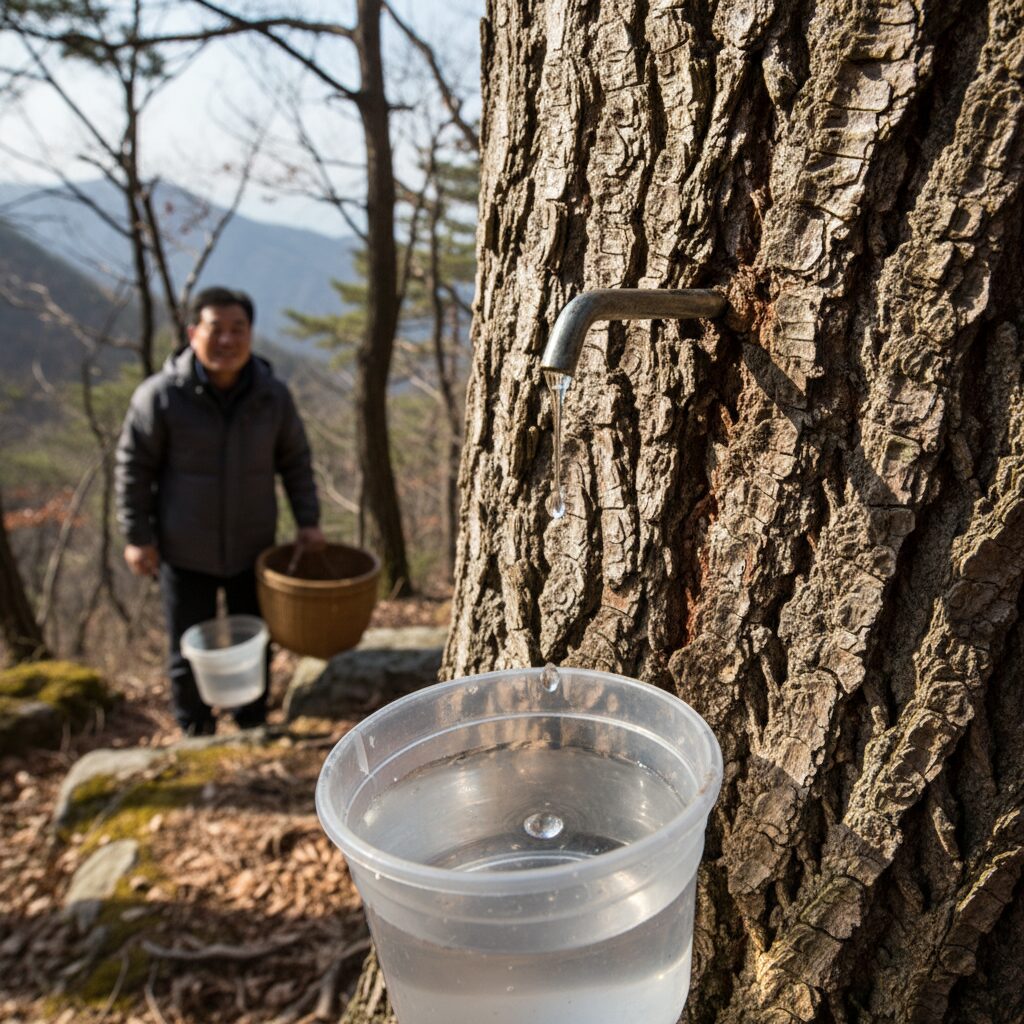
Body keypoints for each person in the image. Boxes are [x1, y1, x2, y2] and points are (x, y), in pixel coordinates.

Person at [115, 286, 326, 735]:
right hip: (183, 547)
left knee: (255, 638)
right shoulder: (161, 396)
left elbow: (295, 462)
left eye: (238, 329)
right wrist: (137, 536)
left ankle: (252, 724)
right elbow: (133, 469)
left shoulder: (272, 397)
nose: (227, 341)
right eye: (216, 329)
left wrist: (308, 522)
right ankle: (196, 730)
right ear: (193, 333)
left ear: (251, 334)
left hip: (253, 545)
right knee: (187, 644)